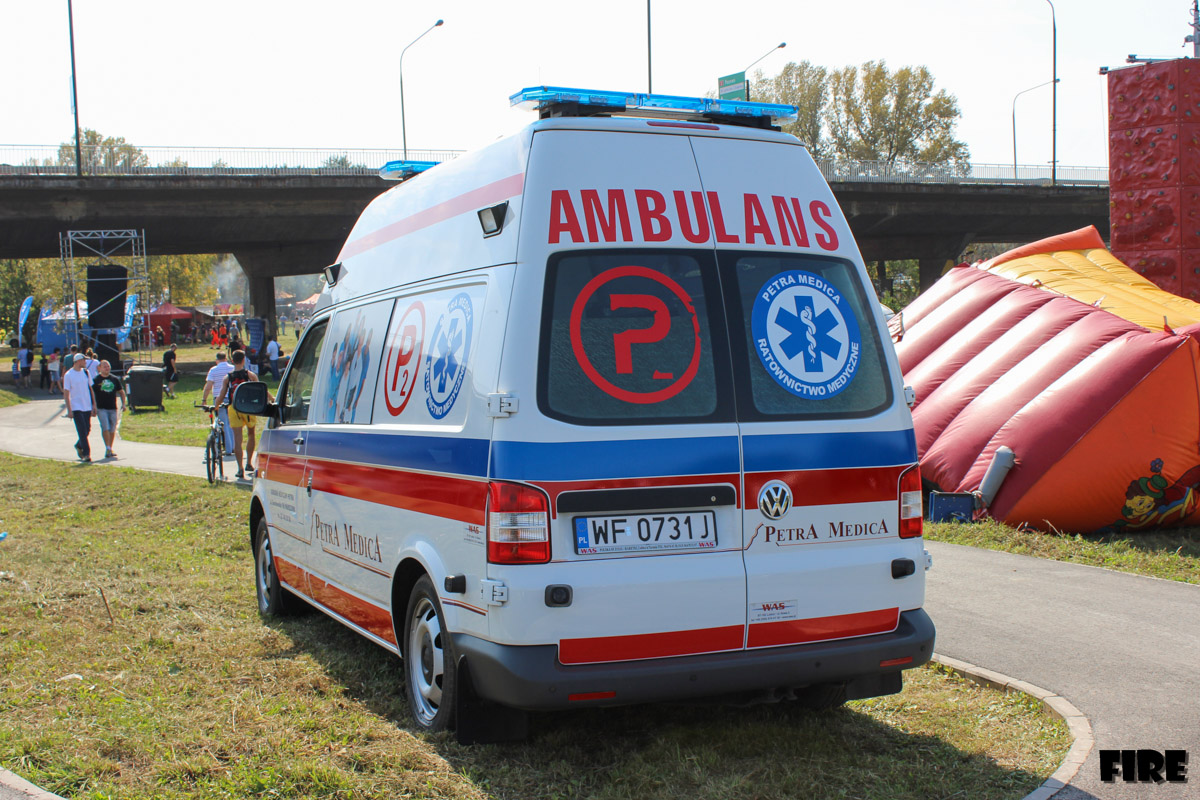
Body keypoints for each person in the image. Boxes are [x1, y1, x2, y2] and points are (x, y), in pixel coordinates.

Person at [214, 349, 260, 481]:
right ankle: (249, 463)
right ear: (244, 360)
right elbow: (260, 389)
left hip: (234, 409)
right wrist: (271, 399)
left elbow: (222, 395)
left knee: (237, 439)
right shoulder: (250, 375)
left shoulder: (228, 378)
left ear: (232, 361)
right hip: (249, 409)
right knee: (251, 434)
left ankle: (240, 468)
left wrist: (215, 406)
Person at [61, 353, 95, 462]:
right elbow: (66, 393)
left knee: (87, 429)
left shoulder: (86, 372)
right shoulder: (69, 375)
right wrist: (69, 409)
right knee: (81, 430)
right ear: (78, 361)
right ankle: (86, 454)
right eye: (84, 360)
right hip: (76, 406)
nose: (85, 362)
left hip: (87, 405)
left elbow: (91, 389)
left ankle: (78, 445)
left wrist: (94, 404)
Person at [201, 351, 235, 453]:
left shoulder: (214, 370)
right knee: (232, 423)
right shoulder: (232, 368)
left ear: (217, 360)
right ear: (226, 358)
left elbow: (208, 387)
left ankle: (228, 449)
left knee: (223, 423)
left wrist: (204, 400)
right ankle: (234, 446)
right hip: (232, 398)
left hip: (219, 398)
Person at [92, 360, 126, 459]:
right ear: (100, 368)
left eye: (108, 366)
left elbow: (121, 392)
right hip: (101, 408)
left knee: (112, 428)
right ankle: (107, 447)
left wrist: (123, 404)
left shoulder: (114, 379)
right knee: (105, 427)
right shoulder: (96, 380)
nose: (107, 368)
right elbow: (91, 394)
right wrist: (93, 406)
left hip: (112, 407)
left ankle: (110, 448)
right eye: (104, 367)